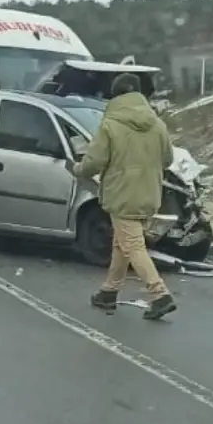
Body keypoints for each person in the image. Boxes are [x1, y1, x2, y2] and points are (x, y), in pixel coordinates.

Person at [73, 73, 177, 320]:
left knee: (133, 245)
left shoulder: (111, 124)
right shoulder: (157, 124)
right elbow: (168, 160)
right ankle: (108, 292)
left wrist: (78, 168)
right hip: (149, 192)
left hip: (121, 192)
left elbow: (95, 162)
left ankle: (160, 294)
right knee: (123, 243)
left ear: (116, 96)